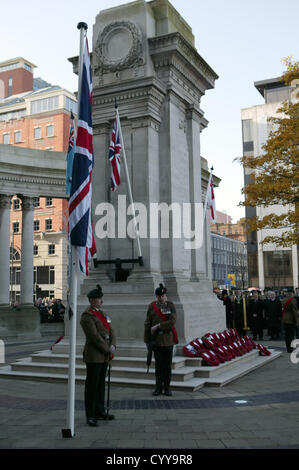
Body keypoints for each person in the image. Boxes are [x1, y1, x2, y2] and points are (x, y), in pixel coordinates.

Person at [80, 284, 116, 426]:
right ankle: (90, 415)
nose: (102, 301)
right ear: (91, 300)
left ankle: (100, 411)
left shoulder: (102, 314)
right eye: (99, 299)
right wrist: (108, 349)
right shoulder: (87, 316)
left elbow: (112, 330)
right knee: (92, 386)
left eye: (101, 299)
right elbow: (94, 337)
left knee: (101, 385)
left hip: (104, 354)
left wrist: (113, 344)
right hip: (95, 355)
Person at [144, 283, 178, 397]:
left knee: (167, 366)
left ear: (165, 296)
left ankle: (167, 388)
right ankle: (158, 388)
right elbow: (147, 323)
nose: (161, 298)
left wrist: (158, 325)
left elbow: (172, 321)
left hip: (168, 339)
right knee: (158, 366)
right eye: (159, 296)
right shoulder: (152, 306)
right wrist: (147, 341)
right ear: (156, 296)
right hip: (156, 340)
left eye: (163, 296)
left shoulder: (170, 305)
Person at [281, 288, 299, 353]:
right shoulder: (293, 300)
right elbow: (294, 311)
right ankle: (290, 349)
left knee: (287, 335)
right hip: (291, 319)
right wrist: (297, 320)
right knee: (291, 335)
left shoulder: (284, 299)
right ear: (292, 293)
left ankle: (288, 348)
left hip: (285, 319)